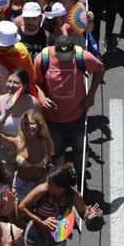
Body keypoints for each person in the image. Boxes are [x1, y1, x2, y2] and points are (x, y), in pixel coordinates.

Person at [34, 36, 104, 170]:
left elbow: (100, 69)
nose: (63, 60)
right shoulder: (43, 58)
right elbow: (36, 82)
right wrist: (42, 98)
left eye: (67, 57)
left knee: (80, 149)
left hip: (77, 115)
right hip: (53, 119)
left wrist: (91, 95)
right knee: (57, 153)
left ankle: (80, 179)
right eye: (60, 56)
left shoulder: (82, 57)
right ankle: (61, 185)